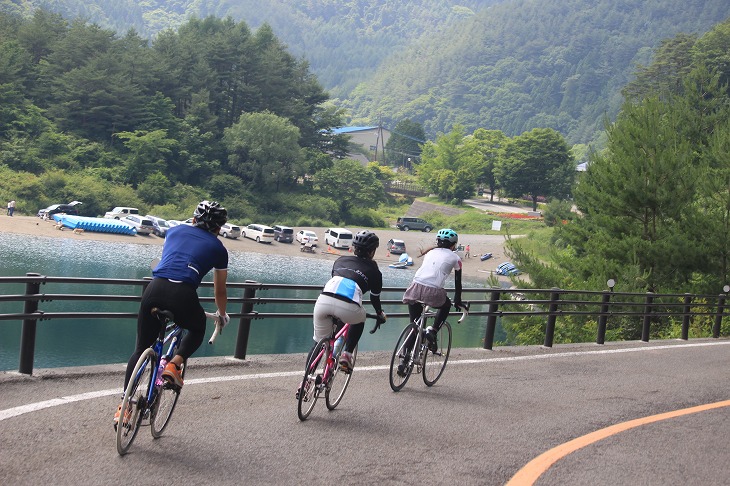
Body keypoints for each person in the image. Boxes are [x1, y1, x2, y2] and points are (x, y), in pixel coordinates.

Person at [115, 200, 230, 425]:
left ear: (194, 219)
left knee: (141, 348)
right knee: (197, 328)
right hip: (183, 294)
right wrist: (222, 314)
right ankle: (174, 364)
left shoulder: (174, 231)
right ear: (218, 228)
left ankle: (124, 406)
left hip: (154, 289)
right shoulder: (219, 249)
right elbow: (220, 290)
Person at [310, 230, 387, 374]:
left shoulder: (340, 260)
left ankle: (306, 381)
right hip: (348, 307)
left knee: (317, 344)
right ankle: (347, 354)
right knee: (360, 319)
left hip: (323, 301)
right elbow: (374, 298)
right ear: (372, 251)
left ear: (354, 247)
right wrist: (379, 313)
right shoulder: (375, 272)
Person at [401, 228, 464, 362]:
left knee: (414, 324)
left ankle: (404, 359)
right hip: (433, 291)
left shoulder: (430, 252)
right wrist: (458, 300)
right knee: (446, 304)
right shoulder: (456, 258)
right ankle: (433, 331)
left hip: (414, 288)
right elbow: (458, 283)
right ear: (453, 245)